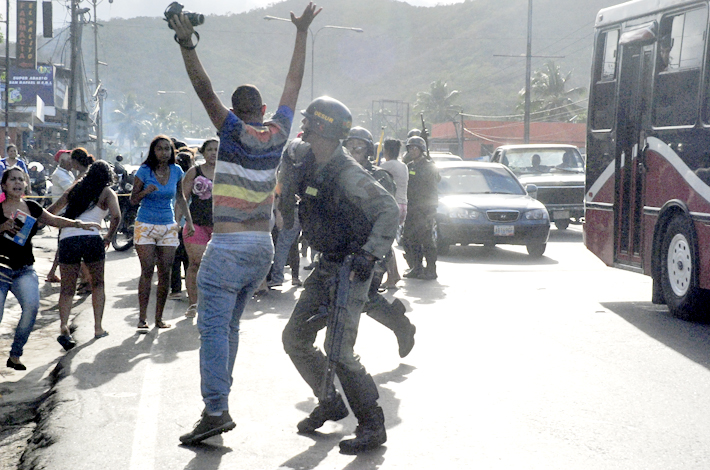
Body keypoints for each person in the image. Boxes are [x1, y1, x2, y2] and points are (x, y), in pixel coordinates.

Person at [169, 2, 319, 445]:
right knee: (229, 328)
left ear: (234, 112)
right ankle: (217, 404)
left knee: (213, 329)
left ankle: (216, 408)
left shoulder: (230, 133)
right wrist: (302, 33)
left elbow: (202, 87)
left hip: (229, 248)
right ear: (264, 108)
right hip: (262, 249)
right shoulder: (278, 133)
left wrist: (185, 42)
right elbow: (294, 83)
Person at [282, 97, 399, 454]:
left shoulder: (347, 172)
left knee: (339, 349)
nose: (303, 131)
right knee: (295, 337)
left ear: (323, 130)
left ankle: (372, 424)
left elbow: (389, 210)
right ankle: (330, 400)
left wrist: (370, 253)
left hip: (352, 266)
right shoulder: (308, 162)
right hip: (327, 263)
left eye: (309, 126)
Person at [1, 166, 100, 370]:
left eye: (21, 179)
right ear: (4, 185)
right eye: (13, 179)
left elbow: (54, 220)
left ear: (26, 184)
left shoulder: (32, 207)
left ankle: (15, 355)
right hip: (0, 269)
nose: (18, 183)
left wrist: (79, 224)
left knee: (31, 308)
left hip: (25, 269)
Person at [343, 127, 416, 358]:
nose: (354, 151)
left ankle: (344, 354)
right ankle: (399, 322)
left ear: (369, 150)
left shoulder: (379, 176)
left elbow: (387, 215)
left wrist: (374, 252)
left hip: (371, 250)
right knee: (359, 299)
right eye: (350, 146)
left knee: (358, 298)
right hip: (345, 247)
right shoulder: (340, 173)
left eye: (359, 146)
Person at [49, 161, 121, 349]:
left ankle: (64, 326)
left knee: (67, 288)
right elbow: (116, 216)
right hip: (92, 239)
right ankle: (98, 328)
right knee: (98, 284)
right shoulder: (107, 192)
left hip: (67, 239)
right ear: (108, 176)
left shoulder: (74, 189)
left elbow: (51, 212)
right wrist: (108, 237)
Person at [130, 135, 194, 331]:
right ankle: (142, 318)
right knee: (148, 270)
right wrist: (145, 192)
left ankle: (158, 318)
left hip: (168, 225)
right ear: (153, 151)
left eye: (167, 149)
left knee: (165, 272)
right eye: (160, 149)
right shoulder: (144, 170)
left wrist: (188, 222)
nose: (164, 152)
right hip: (145, 225)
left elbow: (181, 197)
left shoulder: (177, 170)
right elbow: (133, 200)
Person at [180, 139, 217, 316]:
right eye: (209, 149)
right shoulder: (194, 172)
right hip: (196, 224)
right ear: (203, 152)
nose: (213, 153)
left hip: (221, 226)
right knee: (195, 264)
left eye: (217, 150)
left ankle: (214, 304)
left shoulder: (227, 173)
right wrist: (176, 222)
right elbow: (183, 198)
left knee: (218, 267)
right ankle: (193, 303)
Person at [401, 135, 439, 280]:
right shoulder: (410, 166)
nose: (412, 151)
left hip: (425, 209)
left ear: (422, 149)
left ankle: (431, 269)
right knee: (411, 239)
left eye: (415, 148)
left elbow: (435, 184)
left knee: (427, 240)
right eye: (410, 148)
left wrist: (430, 210)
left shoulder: (429, 166)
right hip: (412, 208)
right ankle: (416, 267)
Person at [378, 138, 407, 289]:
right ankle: (394, 274)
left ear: (387, 150)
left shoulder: (387, 165)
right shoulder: (403, 165)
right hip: (403, 205)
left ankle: (391, 277)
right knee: (388, 242)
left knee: (385, 244)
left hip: (391, 206)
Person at [45, 150, 75, 283]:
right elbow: (72, 189)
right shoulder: (58, 174)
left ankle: (52, 272)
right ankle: (53, 273)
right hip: (62, 213)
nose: (72, 164)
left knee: (63, 243)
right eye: (70, 161)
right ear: (63, 162)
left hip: (68, 212)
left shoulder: (68, 173)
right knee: (63, 244)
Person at [169, 149, 195, 301]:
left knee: (175, 258)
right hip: (190, 224)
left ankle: (176, 289)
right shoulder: (193, 178)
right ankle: (189, 289)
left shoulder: (175, 178)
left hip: (175, 222)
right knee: (188, 258)